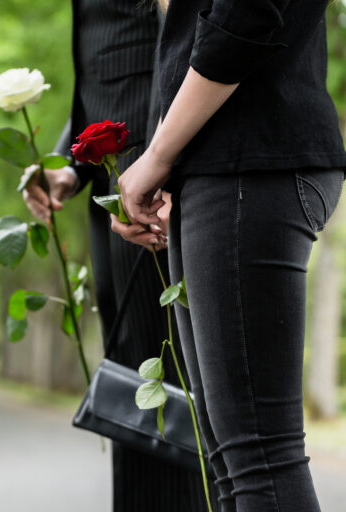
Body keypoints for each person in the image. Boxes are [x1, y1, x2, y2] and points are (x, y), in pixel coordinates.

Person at [112, 0, 346, 510]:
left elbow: (246, 12)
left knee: (258, 458)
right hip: (223, 163)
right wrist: (165, 166)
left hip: (248, 159)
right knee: (230, 461)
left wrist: (159, 156)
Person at [23, 1, 216, 510]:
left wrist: (171, 167)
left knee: (172, 392)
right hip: (115, 185)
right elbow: (108, 72)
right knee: (138, 388)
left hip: (157, 185)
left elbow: (189, 44)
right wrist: (72, 165)